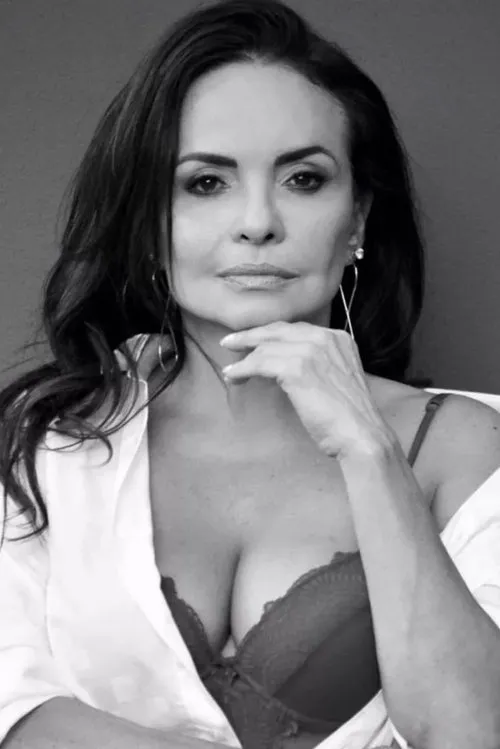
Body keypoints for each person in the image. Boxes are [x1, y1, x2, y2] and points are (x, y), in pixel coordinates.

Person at [1, 0, 500, 747]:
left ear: (358, 220)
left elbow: (473, 732)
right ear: (148, 224)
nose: (258, 221)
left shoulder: (464, 446)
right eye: (207, 182)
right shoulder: (50, 440)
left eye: (304, 178)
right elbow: (12, 705)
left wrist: (369, 450)